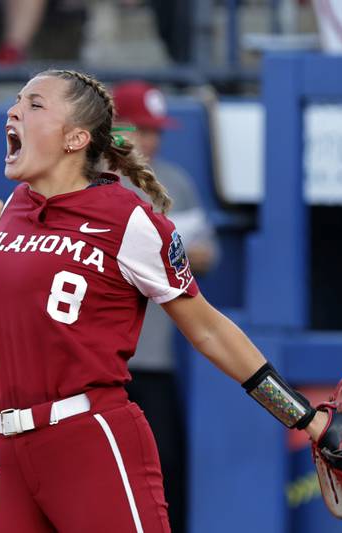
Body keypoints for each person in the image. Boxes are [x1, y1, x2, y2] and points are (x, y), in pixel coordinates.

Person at [0, 69, 342, 533]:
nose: (14, 110)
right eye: (17, 100)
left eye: (35, 104)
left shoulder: (128, 220)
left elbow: (208, 329)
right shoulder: (15, 211)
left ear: (76, 138)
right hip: (7, 448)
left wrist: (307, 420)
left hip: (89, 440)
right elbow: (7, 248)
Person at [112, 79, 217, 533]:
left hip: (153, 357)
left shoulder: (172, 181)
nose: (149, 140)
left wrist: (159, 250)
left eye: (155, 131)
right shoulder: (88, 180)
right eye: (139, 129)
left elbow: (206, 254)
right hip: (94, 361)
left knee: (163, 467)